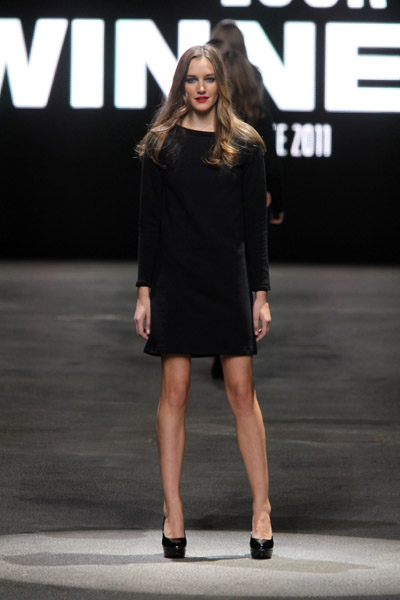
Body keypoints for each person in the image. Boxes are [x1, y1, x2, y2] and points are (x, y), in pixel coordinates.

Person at [134, 44, 273, 560]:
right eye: (192, 79)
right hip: (176, 280)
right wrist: (144, 292)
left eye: (209, 78)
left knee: (241, 391)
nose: (200, 88)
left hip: (227, 279)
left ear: (221, 85)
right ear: (181, 85)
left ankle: (262, 510)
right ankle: (173, 510)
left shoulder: (244, 145)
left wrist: (261, 294)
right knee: (175, 392)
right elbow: (149, 223)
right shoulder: (161, 145)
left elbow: (256, 228)